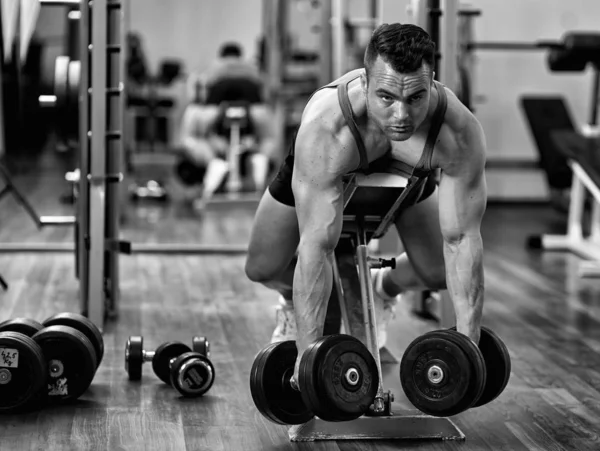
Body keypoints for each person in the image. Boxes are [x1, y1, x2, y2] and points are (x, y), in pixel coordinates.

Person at [244, 23, 487, 386]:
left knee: (436, 273)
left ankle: (384, 287)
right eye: (386, 97)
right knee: (262, 268)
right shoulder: (328, 128)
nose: (401, 116)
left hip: (406, 177)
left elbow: (462, 240)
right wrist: (308, 359)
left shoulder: (456, 131)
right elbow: (316, 247)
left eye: (415, 98)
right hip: (323, 172)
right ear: (365, 82)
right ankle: (293, 305)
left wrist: (469, 351)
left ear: (432, 82)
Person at [177, 42, 277, 210]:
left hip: (212, 112)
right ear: (240, 55)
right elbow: (266, 94)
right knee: (267, 142)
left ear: (221, 55)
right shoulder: (252, 70)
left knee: (191, 138)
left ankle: (212, 170)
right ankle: (259, 169)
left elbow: (197, 95)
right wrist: (262, 149)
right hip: (256, 113)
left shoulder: (212, 69)